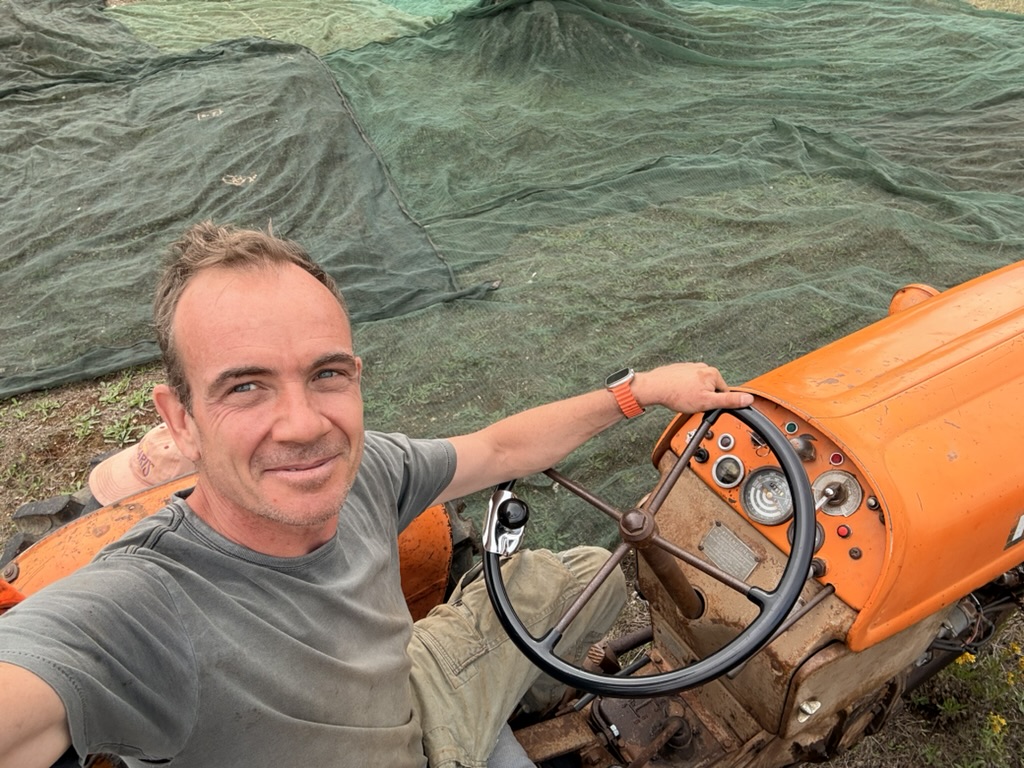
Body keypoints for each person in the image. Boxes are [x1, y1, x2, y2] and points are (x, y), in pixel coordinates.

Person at [0, 222, 754, 768]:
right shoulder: (137, 611)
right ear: (180, 421)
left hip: (410, 694)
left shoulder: (367, 474)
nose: (302, 425)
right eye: (246, 386)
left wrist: (641, 391)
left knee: (585, 568)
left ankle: (512, 706)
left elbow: (496, 449)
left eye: (326, 374)